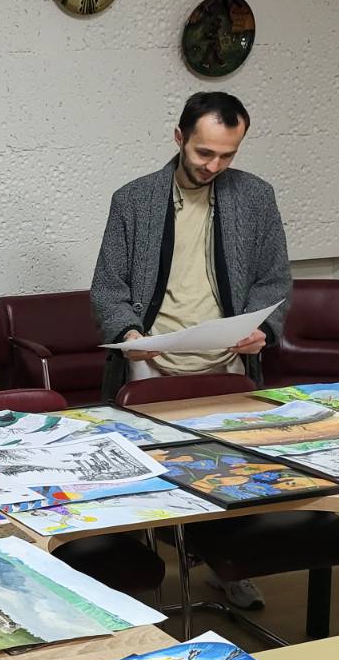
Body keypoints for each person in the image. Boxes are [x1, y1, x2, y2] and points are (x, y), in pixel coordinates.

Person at [90, 89, 290, 611]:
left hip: (227, 360)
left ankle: (228, 567)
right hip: (152, 361)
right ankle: (142, 587)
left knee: (233, 474)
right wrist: (129, 333)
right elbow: (108, 286)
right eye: (204, 152)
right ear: (179, 137)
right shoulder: (134, 199)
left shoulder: (255, 197)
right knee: (150, 478)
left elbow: (274, 279)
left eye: (227, 155)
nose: (214, 166)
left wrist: (264, 329)